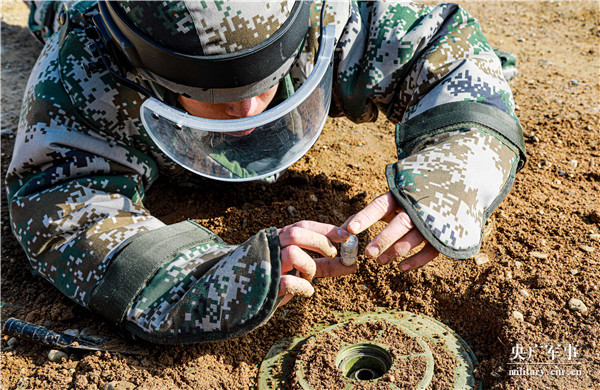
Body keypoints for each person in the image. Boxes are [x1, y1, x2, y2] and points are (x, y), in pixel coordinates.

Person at [6, 0, 526, 344]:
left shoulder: (332, 14)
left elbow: (451, 60)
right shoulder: (82, 70)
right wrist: (218, 280)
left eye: (269, 78)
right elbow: (63, 205)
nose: (252, 111)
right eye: (216, 96)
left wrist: (447, 179)